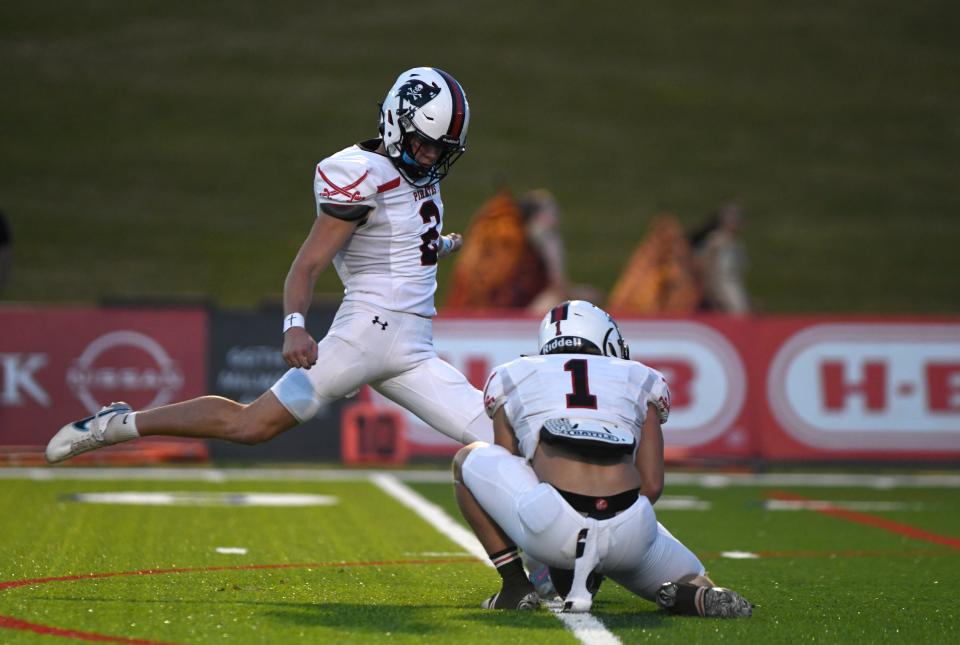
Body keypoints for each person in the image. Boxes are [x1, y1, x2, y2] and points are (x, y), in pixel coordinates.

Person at [46, 67, 492, 464]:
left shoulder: (417, 177)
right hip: (367, 332)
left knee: (496, 436)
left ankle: (549, 555)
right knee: (250, 425)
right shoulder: (360, 173)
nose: (431, 157)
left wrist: (442, 244)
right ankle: (116, 425)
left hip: (413, 346)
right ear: (397, 121)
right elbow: (306, 265)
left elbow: (403, 243)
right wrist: (294, 325)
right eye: (423, 144)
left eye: (441, 149)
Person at [452, 300, 752, 617]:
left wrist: (559, 550)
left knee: (466, 460)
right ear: (606, 339)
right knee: (693, 577)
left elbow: (511, 470)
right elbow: (651, 484)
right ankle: (691, 594)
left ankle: (515, 587)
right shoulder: (643, 378)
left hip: (555, 526)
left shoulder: (511, 375)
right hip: (630, 529)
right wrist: (609, 537)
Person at [445, 188, 600, 316]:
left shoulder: (520, 245)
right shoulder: (517, 245)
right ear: (537, 217)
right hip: (496, 316)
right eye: (551, 212)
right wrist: (552, 248)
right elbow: (559, 286)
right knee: (557, 299)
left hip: (482, 312)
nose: (556, 219)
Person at [688, 201, 750, 314]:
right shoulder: (716, 242)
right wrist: (712, 296)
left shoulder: (737, 245)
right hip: (721, 293)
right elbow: (704, 268)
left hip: (734, 291)